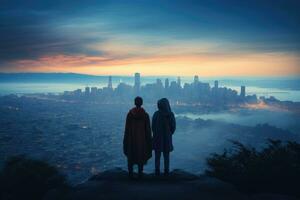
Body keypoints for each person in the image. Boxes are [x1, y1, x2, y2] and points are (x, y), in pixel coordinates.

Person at [123, 96, 152, 178]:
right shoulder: (145, 115)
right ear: (141, 103)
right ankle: (140, 172)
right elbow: (148, 130)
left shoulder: (130, 114)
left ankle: (130, 173)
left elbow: (127, 128)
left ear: (134, 103)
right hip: (142, 140)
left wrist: (125, 139)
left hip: (131, 138)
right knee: (141, 155)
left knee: (131, 154)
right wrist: (149, 140)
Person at [152, 98, 176, 176]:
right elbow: (173, 127)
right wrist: (169, 134)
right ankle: (166, 171)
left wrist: (156, 133)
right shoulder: (170, 115)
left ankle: (157, 171)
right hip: (167, 138)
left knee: (157, 156)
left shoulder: (156, 114)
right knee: (166, 156)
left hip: (157, 138)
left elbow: (152, 126)